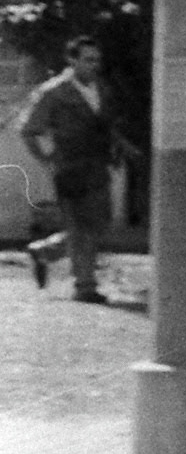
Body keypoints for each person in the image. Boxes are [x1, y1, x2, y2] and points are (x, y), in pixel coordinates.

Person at [17, 36, 131, 302]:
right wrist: (47, 159)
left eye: (97, 59)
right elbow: (29, 130)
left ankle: (45, 251)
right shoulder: (55, 92)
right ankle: (85, 286)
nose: (94, 65)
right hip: (71, 167)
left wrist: (121, 146)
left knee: (99, 224)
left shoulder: (101, 89)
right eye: (88, 59)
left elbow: (105, 125)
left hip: (98, 165)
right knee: (83, 226)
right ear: (72, 60)